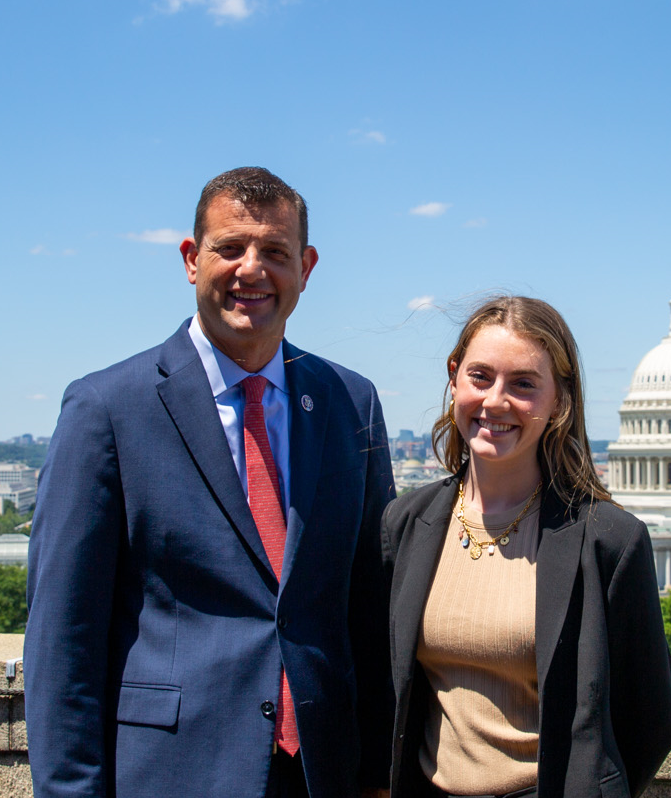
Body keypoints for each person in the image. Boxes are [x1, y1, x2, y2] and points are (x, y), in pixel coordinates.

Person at [24, 167, 395, 798]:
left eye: (275, 252)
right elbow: (64, 637)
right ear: (192, 260)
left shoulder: (349, 403)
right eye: (230, 248)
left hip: (322, 773)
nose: (252, 270)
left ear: (305, 268)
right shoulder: (107, 409)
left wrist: (378, 775)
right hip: (172, 771)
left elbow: (370, 604)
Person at [383, 296, 671, 798]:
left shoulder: (607, 539)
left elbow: (650, 717)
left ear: (559, 400)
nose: (496, 401)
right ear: (454, 378)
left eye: (523, 384)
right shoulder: (406, 523)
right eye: (480, 377)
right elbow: (387, 689)